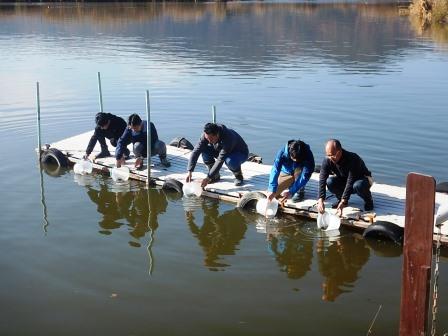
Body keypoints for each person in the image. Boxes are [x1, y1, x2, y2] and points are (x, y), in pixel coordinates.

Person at [317, 139, 374, 216]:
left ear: (339, 151)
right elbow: (322, 179)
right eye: (328, 155)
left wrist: (343, 201)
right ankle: (340, 199)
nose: (330, 158)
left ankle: (368, 200)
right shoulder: (328, 160)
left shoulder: (353, 158)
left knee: (358, 185)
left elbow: (350, 181)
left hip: (361, 180)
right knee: (330, 182)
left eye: (332, 155)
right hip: (344, 179)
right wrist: (321, 200)